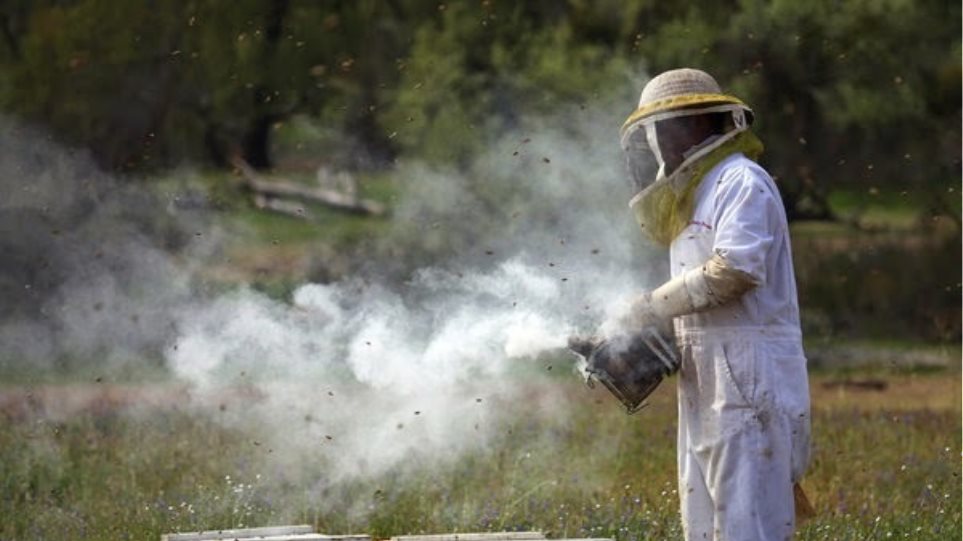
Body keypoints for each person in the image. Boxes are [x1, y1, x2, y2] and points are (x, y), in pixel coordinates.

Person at [612, 68, 812, 540]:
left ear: (700, 123)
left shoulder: (741, 182)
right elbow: (695, 299)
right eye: (653, 130)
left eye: (666, 125)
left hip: (749, 373)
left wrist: (649, 306)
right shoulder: (692, 197)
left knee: (748, 523)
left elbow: (735, 272)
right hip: (706, 377)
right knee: (703, 525)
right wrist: (650, 339)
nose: (658, 140)